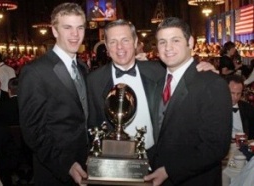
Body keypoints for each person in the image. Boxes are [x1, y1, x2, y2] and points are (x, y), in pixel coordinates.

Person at [87, 19, 217, 166]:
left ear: (135, 42)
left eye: (125, 40)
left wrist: (201, 69)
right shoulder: (93, 80)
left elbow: (183, 70)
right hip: (111, 161)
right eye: (113, 42)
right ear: (106, 47)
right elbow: (92, 124)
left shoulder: (159, 71)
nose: (119, 47)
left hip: (156, 158)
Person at [143, 17, 232, 186]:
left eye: (175, 40)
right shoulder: (158, 80)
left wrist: (169, 170)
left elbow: (216, 146)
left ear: (190, 42)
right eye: (162, 42)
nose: (168, 48)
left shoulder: (212, 83)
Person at [18, 3, 88, 186]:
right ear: (55, 31)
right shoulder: (35, 71)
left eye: (80, 27)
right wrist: (66, 165)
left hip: (86, 164)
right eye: (67, 27)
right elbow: (32, 131)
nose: (75, 34)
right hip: (55, 171)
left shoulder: (82, 67)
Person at [226, 75, 254, 140]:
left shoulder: (248, 108)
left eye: (238, 93)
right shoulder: (216, 108)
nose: (235, 97)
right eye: (232, 93)